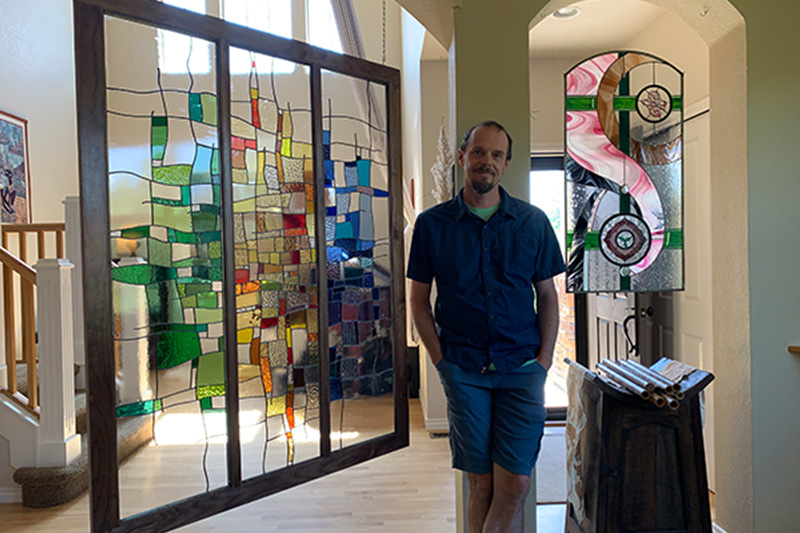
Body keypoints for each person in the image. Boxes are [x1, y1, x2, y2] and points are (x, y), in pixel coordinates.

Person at [407, 121, 565, 532]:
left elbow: (547, 296)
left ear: (506, 164)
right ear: (462, 158)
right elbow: (418, 300)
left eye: (496, 155)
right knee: (480, 485)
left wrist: (544, 360)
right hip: (463, 368)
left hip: (521, 368)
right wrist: (441, 360)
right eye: (478, 152)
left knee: (514, 484)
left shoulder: (532, 223)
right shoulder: (431, 225)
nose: (486, 162)